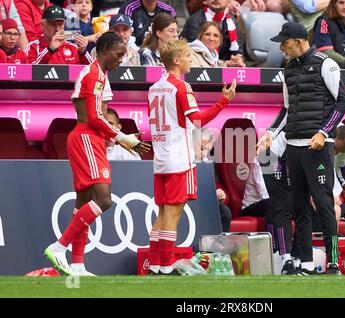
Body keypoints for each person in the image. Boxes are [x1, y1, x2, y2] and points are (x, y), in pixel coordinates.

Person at [44, 32, 151, 276]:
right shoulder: (94, 75)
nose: (121, 60)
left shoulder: (100, 75)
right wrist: (123, 138)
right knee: (103, 200)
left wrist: (123, 142)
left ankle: (78, 265)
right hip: (86, 139)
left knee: (83, 203)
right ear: (103, 51)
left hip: (91, 139)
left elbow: (99, 117)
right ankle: (59, 246)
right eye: (118, 54)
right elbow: (94, 118)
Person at [264, 22, 345, 275]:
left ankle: (333, 263)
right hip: (293, 146)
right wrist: (269, 133)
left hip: (318, 147)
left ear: (299, 41)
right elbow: (287, 108)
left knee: (324, 205)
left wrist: (324, 133)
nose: (281, 47)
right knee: (299, 205)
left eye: (284, 42)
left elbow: (342, 102)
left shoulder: (326, 63)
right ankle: (304, 263)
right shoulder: (288, 69)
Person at [147, 38, 236, 275]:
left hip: (161, 159)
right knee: (172, 215)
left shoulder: (153, 88)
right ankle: (166, 267)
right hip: (179, 158)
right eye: (187, 56)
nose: (190, 60)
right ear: (176, 60)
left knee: (162, 213)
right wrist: (224, 101)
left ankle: (155, 265)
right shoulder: (181, 86)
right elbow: (197, 120)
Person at [181, 0, 245, 66]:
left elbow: (238, 50)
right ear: (205, 1)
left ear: (229, 2)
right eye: (207, 34)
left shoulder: (232, 22)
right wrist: (225, 64)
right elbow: (192, 52)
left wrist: (238, 59)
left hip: (223, 67)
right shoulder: (195, 20)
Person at [193, 127, 232, 232]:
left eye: (207, 150)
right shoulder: (182, 161)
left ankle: (219, 246)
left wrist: (220, 196)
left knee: (224, 212)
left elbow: (215, 186)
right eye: (201, 148)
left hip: (203, 203)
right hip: (184, 201)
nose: (204, 154)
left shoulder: (206, 163)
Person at [25, 5, 92, 64]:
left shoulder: (73, 47)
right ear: (43, 25)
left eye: (60, 24)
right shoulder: (33, 47)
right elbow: (28, 72)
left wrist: (82, 53)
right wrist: (50, 50)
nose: (57, 29)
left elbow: (92, 70)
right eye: (53, 24)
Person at [312, 0, 345, 67]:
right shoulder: (324, 21)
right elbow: (325, 52)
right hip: (332, 69)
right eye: (341, 2)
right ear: (334, 4)